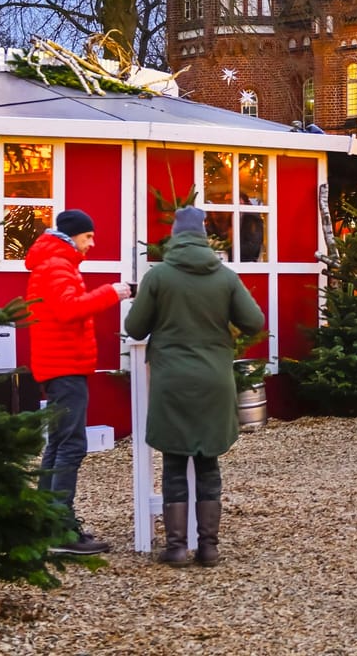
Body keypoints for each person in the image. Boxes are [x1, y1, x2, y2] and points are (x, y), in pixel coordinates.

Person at [124, 206, 265, 566]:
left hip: (172, 380)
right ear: (203, 235)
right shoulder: (224, 276)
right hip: (214, 380)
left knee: (173, 462)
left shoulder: (160, 277)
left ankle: (175, 547)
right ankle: (209, 547)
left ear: (175, 235)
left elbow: (136, 328)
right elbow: (254, 322)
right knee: (208, 464)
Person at [25, 208, 134, 556]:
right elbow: (69, 309)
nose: (92, 243)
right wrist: (115, 292)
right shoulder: (57, 266)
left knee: (58, 444)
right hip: (64, 367)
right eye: (88, 237)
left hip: (60, 365)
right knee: (70, 444)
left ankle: (45, 523)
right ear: (72, 236)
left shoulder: (55, 264)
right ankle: (60, 529)